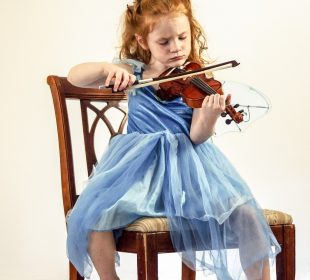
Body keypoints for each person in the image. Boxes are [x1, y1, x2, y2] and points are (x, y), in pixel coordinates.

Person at [66, 0, 281, 279]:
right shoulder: (133, 72)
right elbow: (76, 76)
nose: (176, 48)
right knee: (96, 217)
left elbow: (197, 136)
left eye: (182, 37)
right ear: (143, 41)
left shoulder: (199, 79)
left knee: (249, 216)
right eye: (164, 41)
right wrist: (108, 70)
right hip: (138, 174)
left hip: (189, 173)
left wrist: (210, 114)